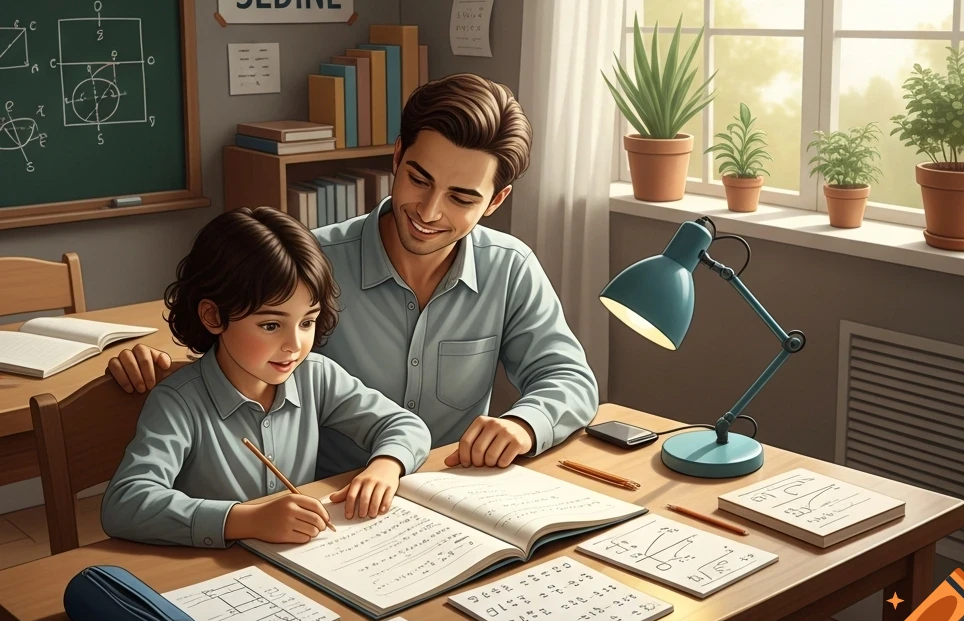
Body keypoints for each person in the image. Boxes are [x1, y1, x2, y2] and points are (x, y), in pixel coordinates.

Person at [109, 73, 599, 480]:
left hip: (458, 498)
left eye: (461, 198)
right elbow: (238, 356)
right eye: (419, 179)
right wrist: (159, 365)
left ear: (495, 201)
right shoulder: (311, 262)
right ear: (397, 155)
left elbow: (570, 378)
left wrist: (526, 424)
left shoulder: (510, 267)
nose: (428, 211)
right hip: (334, 503)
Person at [101, 207, 432, 548]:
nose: (294, 345)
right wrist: (245, 520)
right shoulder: (179, 403)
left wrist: (386, 465)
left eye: (307, 322)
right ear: (213, 316)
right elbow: (124, 503)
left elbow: (406, 426)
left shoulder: (315, 376)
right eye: (271, 325)